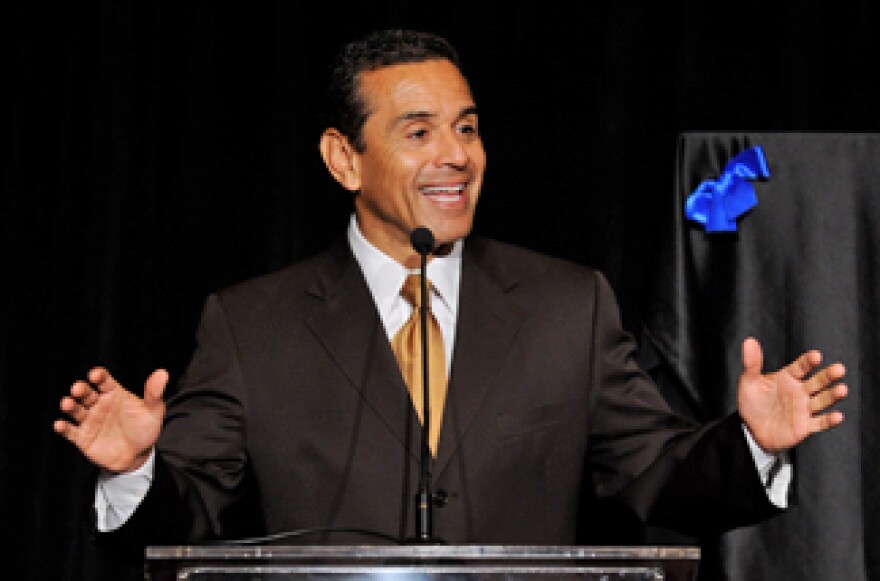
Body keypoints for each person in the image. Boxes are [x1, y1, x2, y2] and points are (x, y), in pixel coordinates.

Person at [54, 29, 847, 551]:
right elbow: (187, 517)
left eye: (467, 128)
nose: (457, 155)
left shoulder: (568, 306)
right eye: (419, 131)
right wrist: (135, 469)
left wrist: (749, 445)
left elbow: (655, 471)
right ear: (344, 159)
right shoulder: (250, 325)